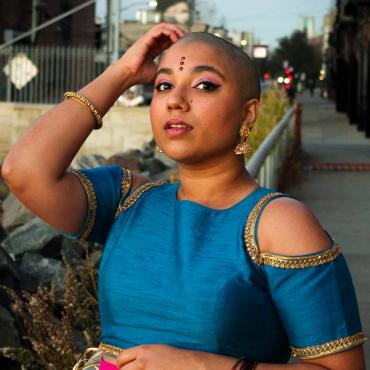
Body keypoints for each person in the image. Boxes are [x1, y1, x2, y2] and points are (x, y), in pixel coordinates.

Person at [1, 24, 366, 370]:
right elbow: (24, 172)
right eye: (163, 86)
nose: (176, 101)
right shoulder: (129, 200)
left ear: (248, 113)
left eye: (205, 85)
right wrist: (123, 73)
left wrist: (204, 364)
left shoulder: (279, 224)